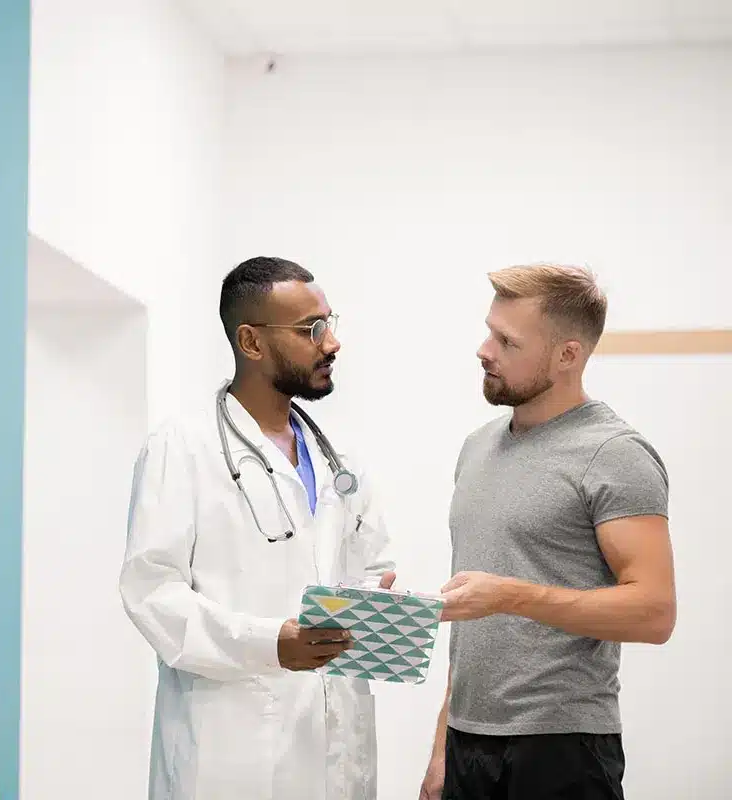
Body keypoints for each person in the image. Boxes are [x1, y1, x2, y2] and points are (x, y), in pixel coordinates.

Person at [119, 256, 398, 800]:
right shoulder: (183, 447)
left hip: (335, 743)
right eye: (311, 329)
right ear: (250, 341)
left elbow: (373, 567)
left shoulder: (340, 461)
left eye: (329, 323)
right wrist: (270, 643)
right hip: (231, 749)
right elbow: (152, 593)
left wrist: (378, 602)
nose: (332, 343)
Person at [419, 264, 677, 800]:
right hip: (468, 743)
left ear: (568, 355)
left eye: (507, 341)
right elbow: (476, 630)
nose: (484, 350)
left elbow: (655, 613)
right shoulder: (478, 447)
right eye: (489, 331)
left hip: (563, 749)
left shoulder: (614, 454)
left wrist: (510, 596)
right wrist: (442, 748)